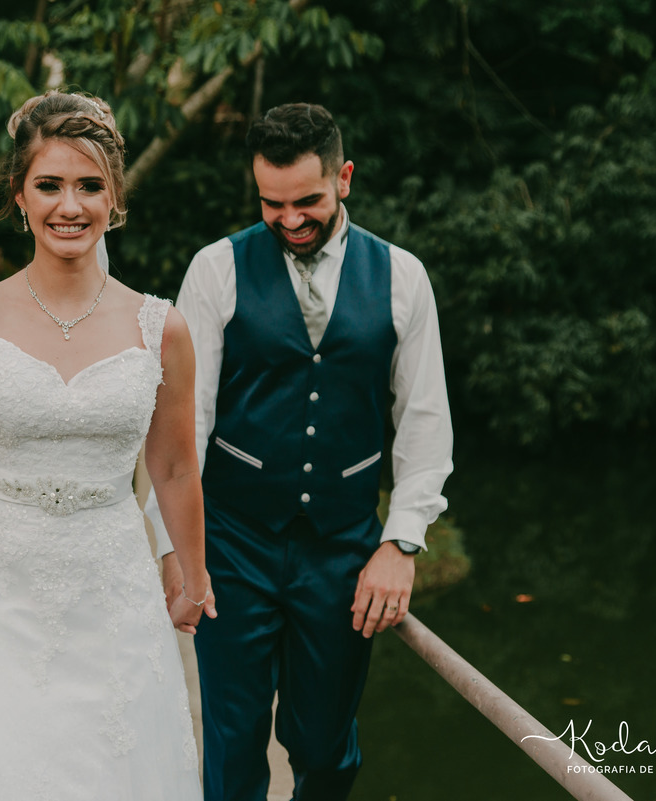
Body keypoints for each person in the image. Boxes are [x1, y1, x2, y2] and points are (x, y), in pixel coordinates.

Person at [0, 90, 215, 800]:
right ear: (20, 195)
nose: (71, 205)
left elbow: (176, 466)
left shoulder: (163, 329)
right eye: (50, 185)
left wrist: (195, 573)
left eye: (90, 185)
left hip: (111, 597)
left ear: (115, 193)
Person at [144, 102, 453, 801]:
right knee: (233, 734)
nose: (288, 219)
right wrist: (174, 547)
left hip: (343, 546)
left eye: (307, 200)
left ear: (344, 177)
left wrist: (400, 544)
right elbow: (182, 426)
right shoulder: (216, 269)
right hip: (232, 541)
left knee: (323, 743)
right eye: (271, 203)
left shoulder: (403, 278)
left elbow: (426, 425)